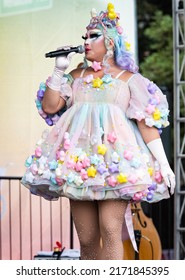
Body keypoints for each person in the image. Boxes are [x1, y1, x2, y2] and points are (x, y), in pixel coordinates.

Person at [21, 3, 175, 260]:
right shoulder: (75, 76)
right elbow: (50, 106)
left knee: (111, 229)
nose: (86, 41)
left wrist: (165, 164)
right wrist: (59, 70)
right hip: (79, 168)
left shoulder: (130, 80)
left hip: (115, 169)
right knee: (88, 238)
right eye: (85, 36)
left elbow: (146, 124)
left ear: (112, 42)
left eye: (94, 35)